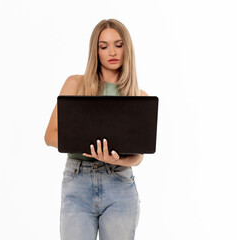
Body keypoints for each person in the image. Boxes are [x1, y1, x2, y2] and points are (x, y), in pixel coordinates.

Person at [44, 18, 148, 240]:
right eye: (104, 46)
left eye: (118, 45)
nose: (112, 52)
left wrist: (115, 160)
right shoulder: (75, 84)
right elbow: (50, 136)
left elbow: (138, 156)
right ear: (96, 51)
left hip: (119, 184)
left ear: (127, 49)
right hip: (77, 181)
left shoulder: (139, 97)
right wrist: (85, 145)